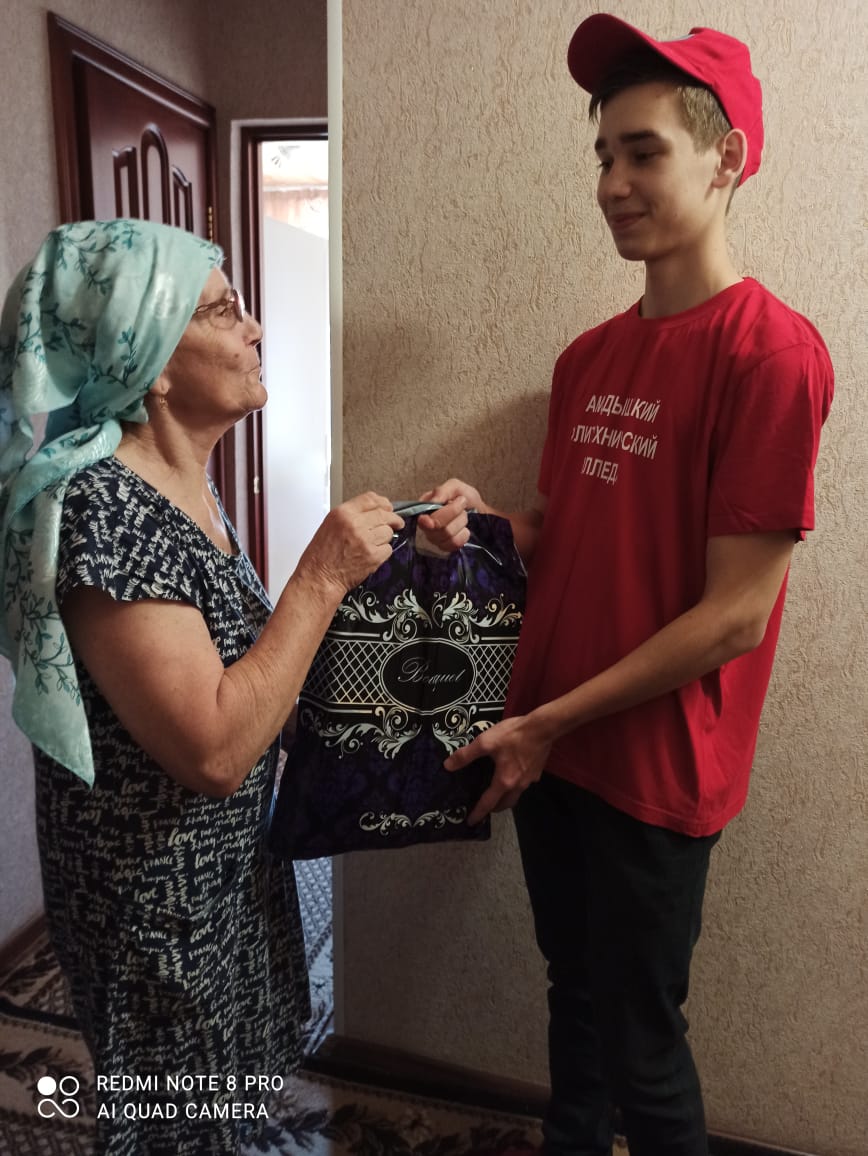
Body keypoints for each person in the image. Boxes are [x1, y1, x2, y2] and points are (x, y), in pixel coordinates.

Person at [418, 15, 833, 1156]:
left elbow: (734, 614)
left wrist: (547, 721)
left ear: (725, 157)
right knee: (574, 996)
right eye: (603, 155)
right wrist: (486, 525)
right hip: (548, 747)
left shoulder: (770, 354)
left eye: (643, 152)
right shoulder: (587, 358)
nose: (611, 184)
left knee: (645, 1047)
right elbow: (573, 531)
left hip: (651, 765)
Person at [0, 218, 403, 1156]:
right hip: (155, 906)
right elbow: (216, 750)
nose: (255, 328)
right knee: (173, 1123)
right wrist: (320, 574)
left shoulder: (188, 488)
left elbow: (247, 668)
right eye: (223, 311)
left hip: (223, 877)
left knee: (224, 1102)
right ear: (148, 360)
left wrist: (400, 565)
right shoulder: (103, 507)